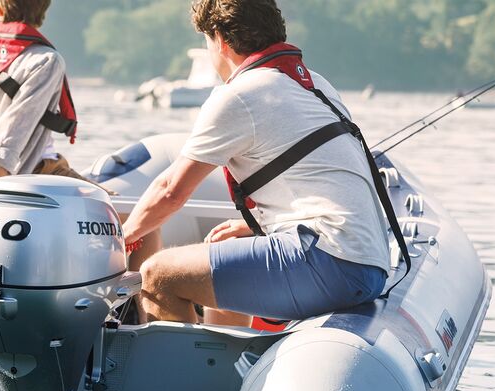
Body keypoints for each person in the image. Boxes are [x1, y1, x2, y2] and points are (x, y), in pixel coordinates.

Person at [121, 0, 399, 326]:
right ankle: (222, 364)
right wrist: (254, 227)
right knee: (228, 243)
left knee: (157, 274)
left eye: (207, 42)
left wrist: (121, 239)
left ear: (220, 40)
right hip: (370, 266)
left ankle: (181, 377)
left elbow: (170, 192)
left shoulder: (239, 94)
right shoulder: (316, 85)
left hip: (329, 263)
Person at [0, 0, 92, 190]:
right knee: (118, 210)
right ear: (44, 8)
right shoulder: (46, 61)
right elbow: (7, 147)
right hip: (35, 174)